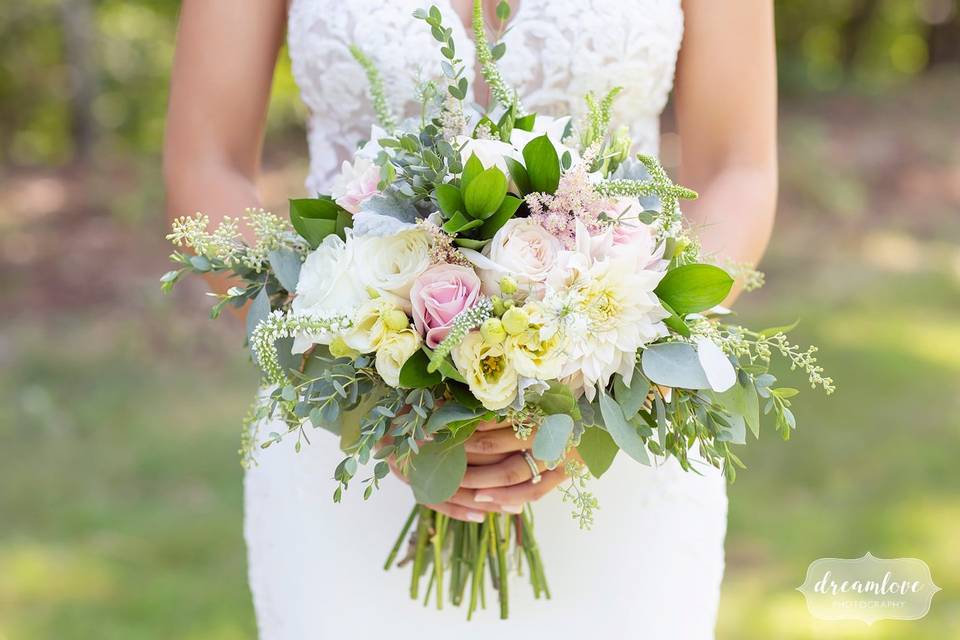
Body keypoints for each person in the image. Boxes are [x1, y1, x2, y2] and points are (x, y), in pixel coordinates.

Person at [164, 1, 777, 637]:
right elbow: (208, 162)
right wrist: (358, 383)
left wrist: (615, 365)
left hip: (619, 416)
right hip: (346, 434)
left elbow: (740, 168)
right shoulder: (349, 397)